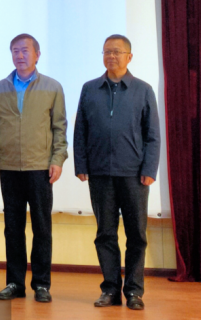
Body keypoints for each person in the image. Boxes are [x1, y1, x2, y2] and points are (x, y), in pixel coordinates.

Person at [74, 35, 160, 311]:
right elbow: (80, 130)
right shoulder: (90, 89)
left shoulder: (143, 90)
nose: (111, 56)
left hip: (134, 175)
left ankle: (134, 291)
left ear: (129, 57)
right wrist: (81, 165)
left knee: (136, 235)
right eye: (107, 52)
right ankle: (110, 289)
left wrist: (149, 169)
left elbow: (153, 135)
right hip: (100, 173)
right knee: (105, 234)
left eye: (117, 52)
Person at [0, 34, 68, 303]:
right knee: (13, 228)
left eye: (25, 50)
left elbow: (59, 128)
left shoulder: (52, 87)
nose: (19, 55)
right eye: (15, 51)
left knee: (42, 227)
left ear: (37, 54)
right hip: (9, 167)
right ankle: (15, 283)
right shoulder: (0, 88)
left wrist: (57, 159)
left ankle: (41, 284)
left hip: (40, 167)